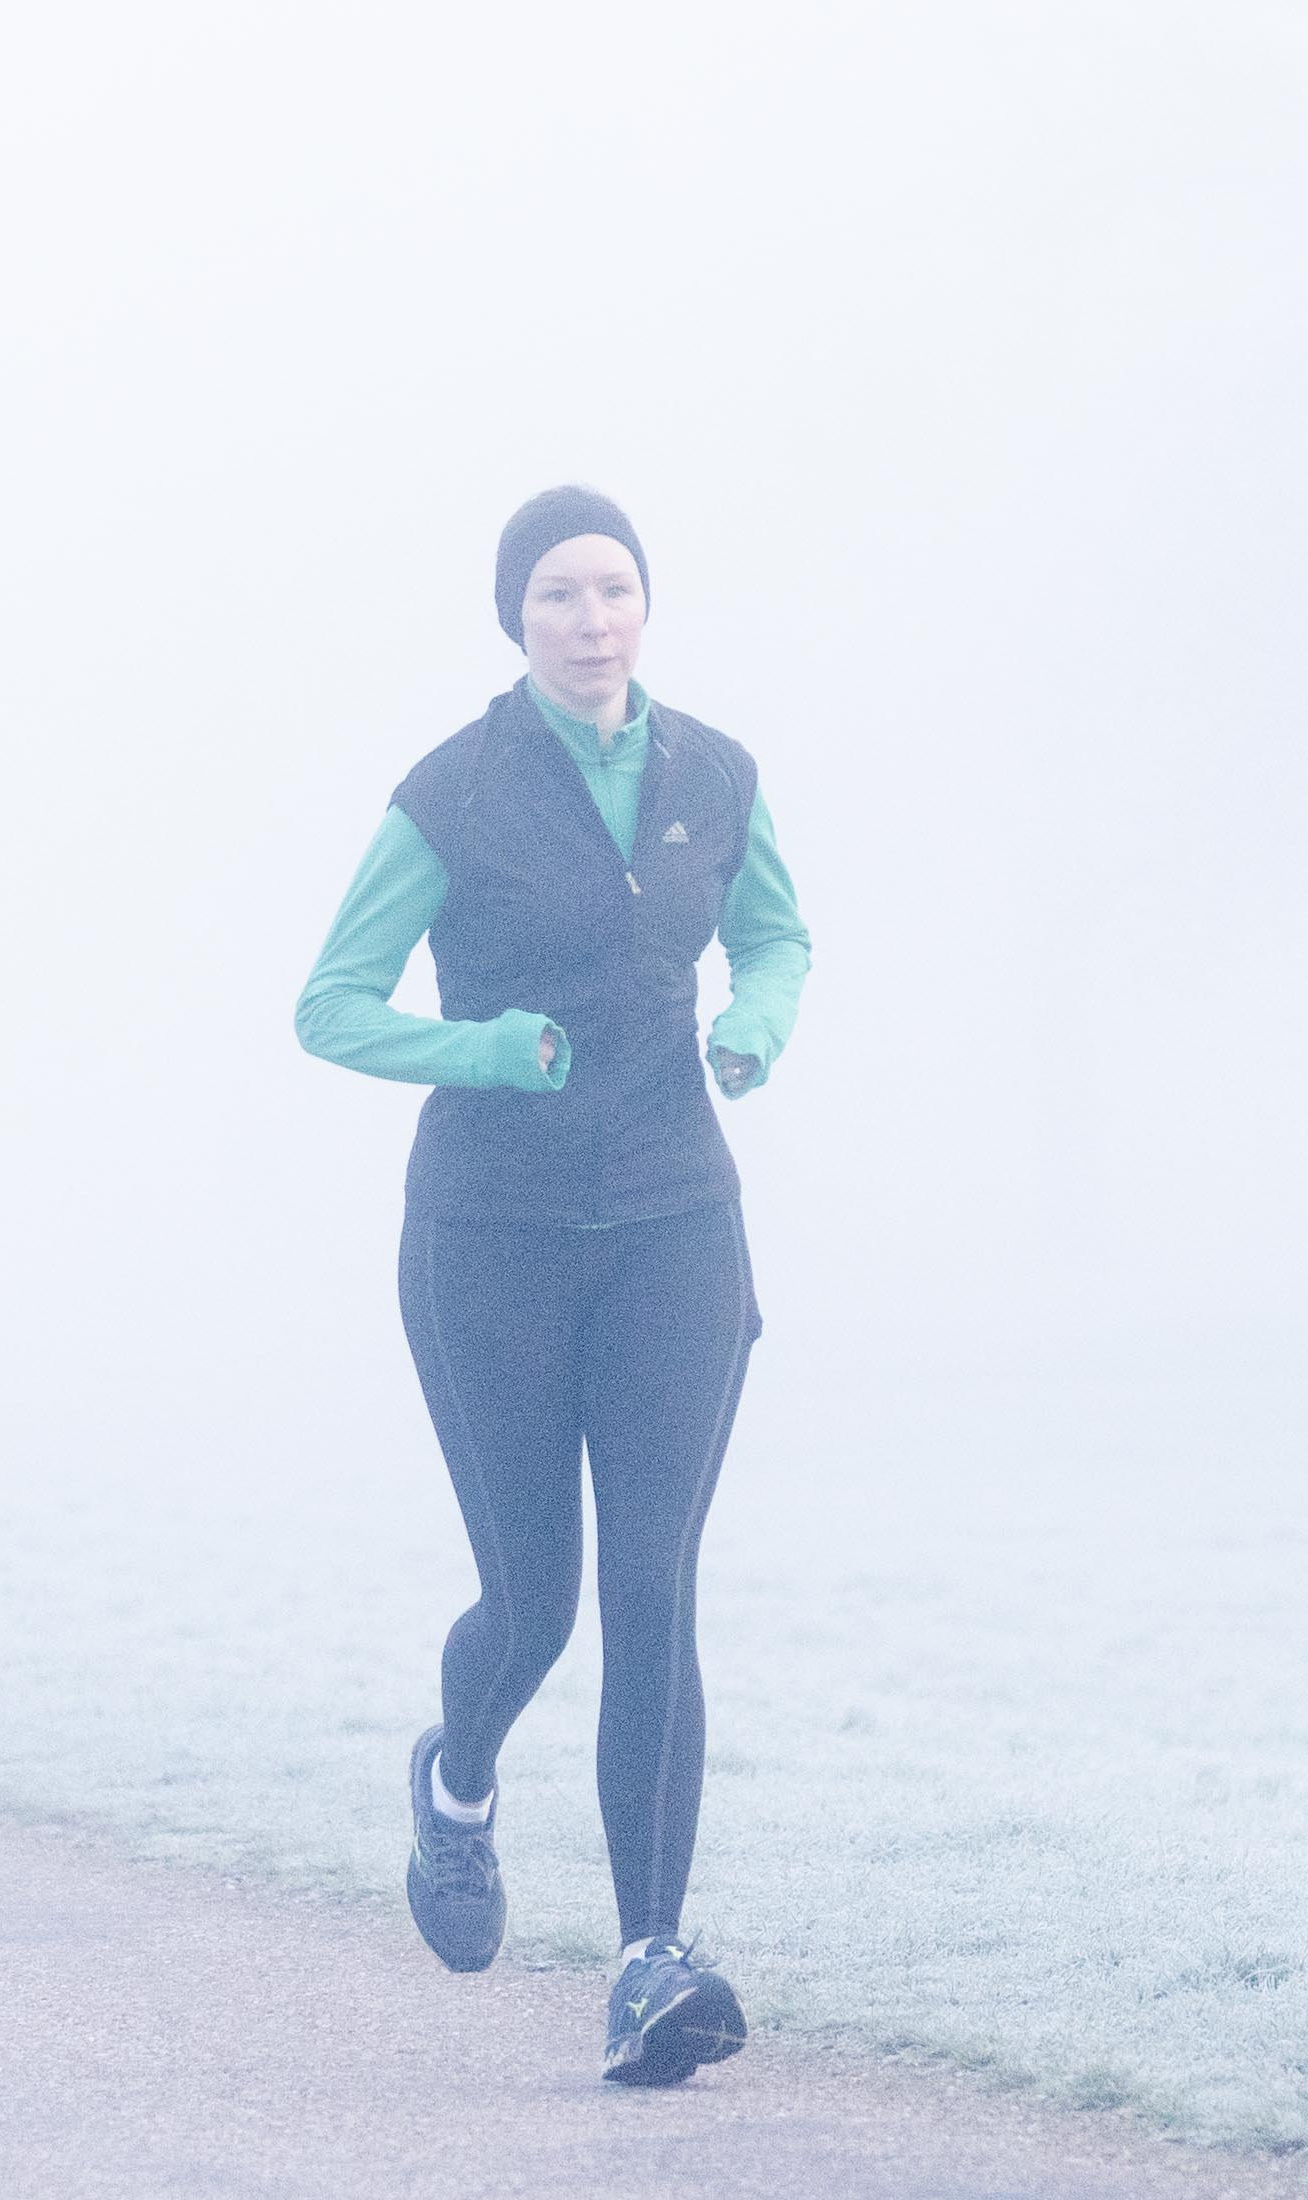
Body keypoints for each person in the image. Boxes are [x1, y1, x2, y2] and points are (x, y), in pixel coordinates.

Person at [292, 485, 810, 2087]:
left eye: (615, 590)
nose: (592, 619)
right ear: (516, 621)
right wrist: (486, 1051)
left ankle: (652, 1958)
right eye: (557, 598)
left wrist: (756, 1028)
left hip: (673, 1222)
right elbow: (331, 1006)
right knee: (538, 1601)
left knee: (654, 1584)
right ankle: (456, 1787)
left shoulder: (716, 774)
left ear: (647, 605)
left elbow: (782, 941)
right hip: (491, 1245)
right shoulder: (453, 794)